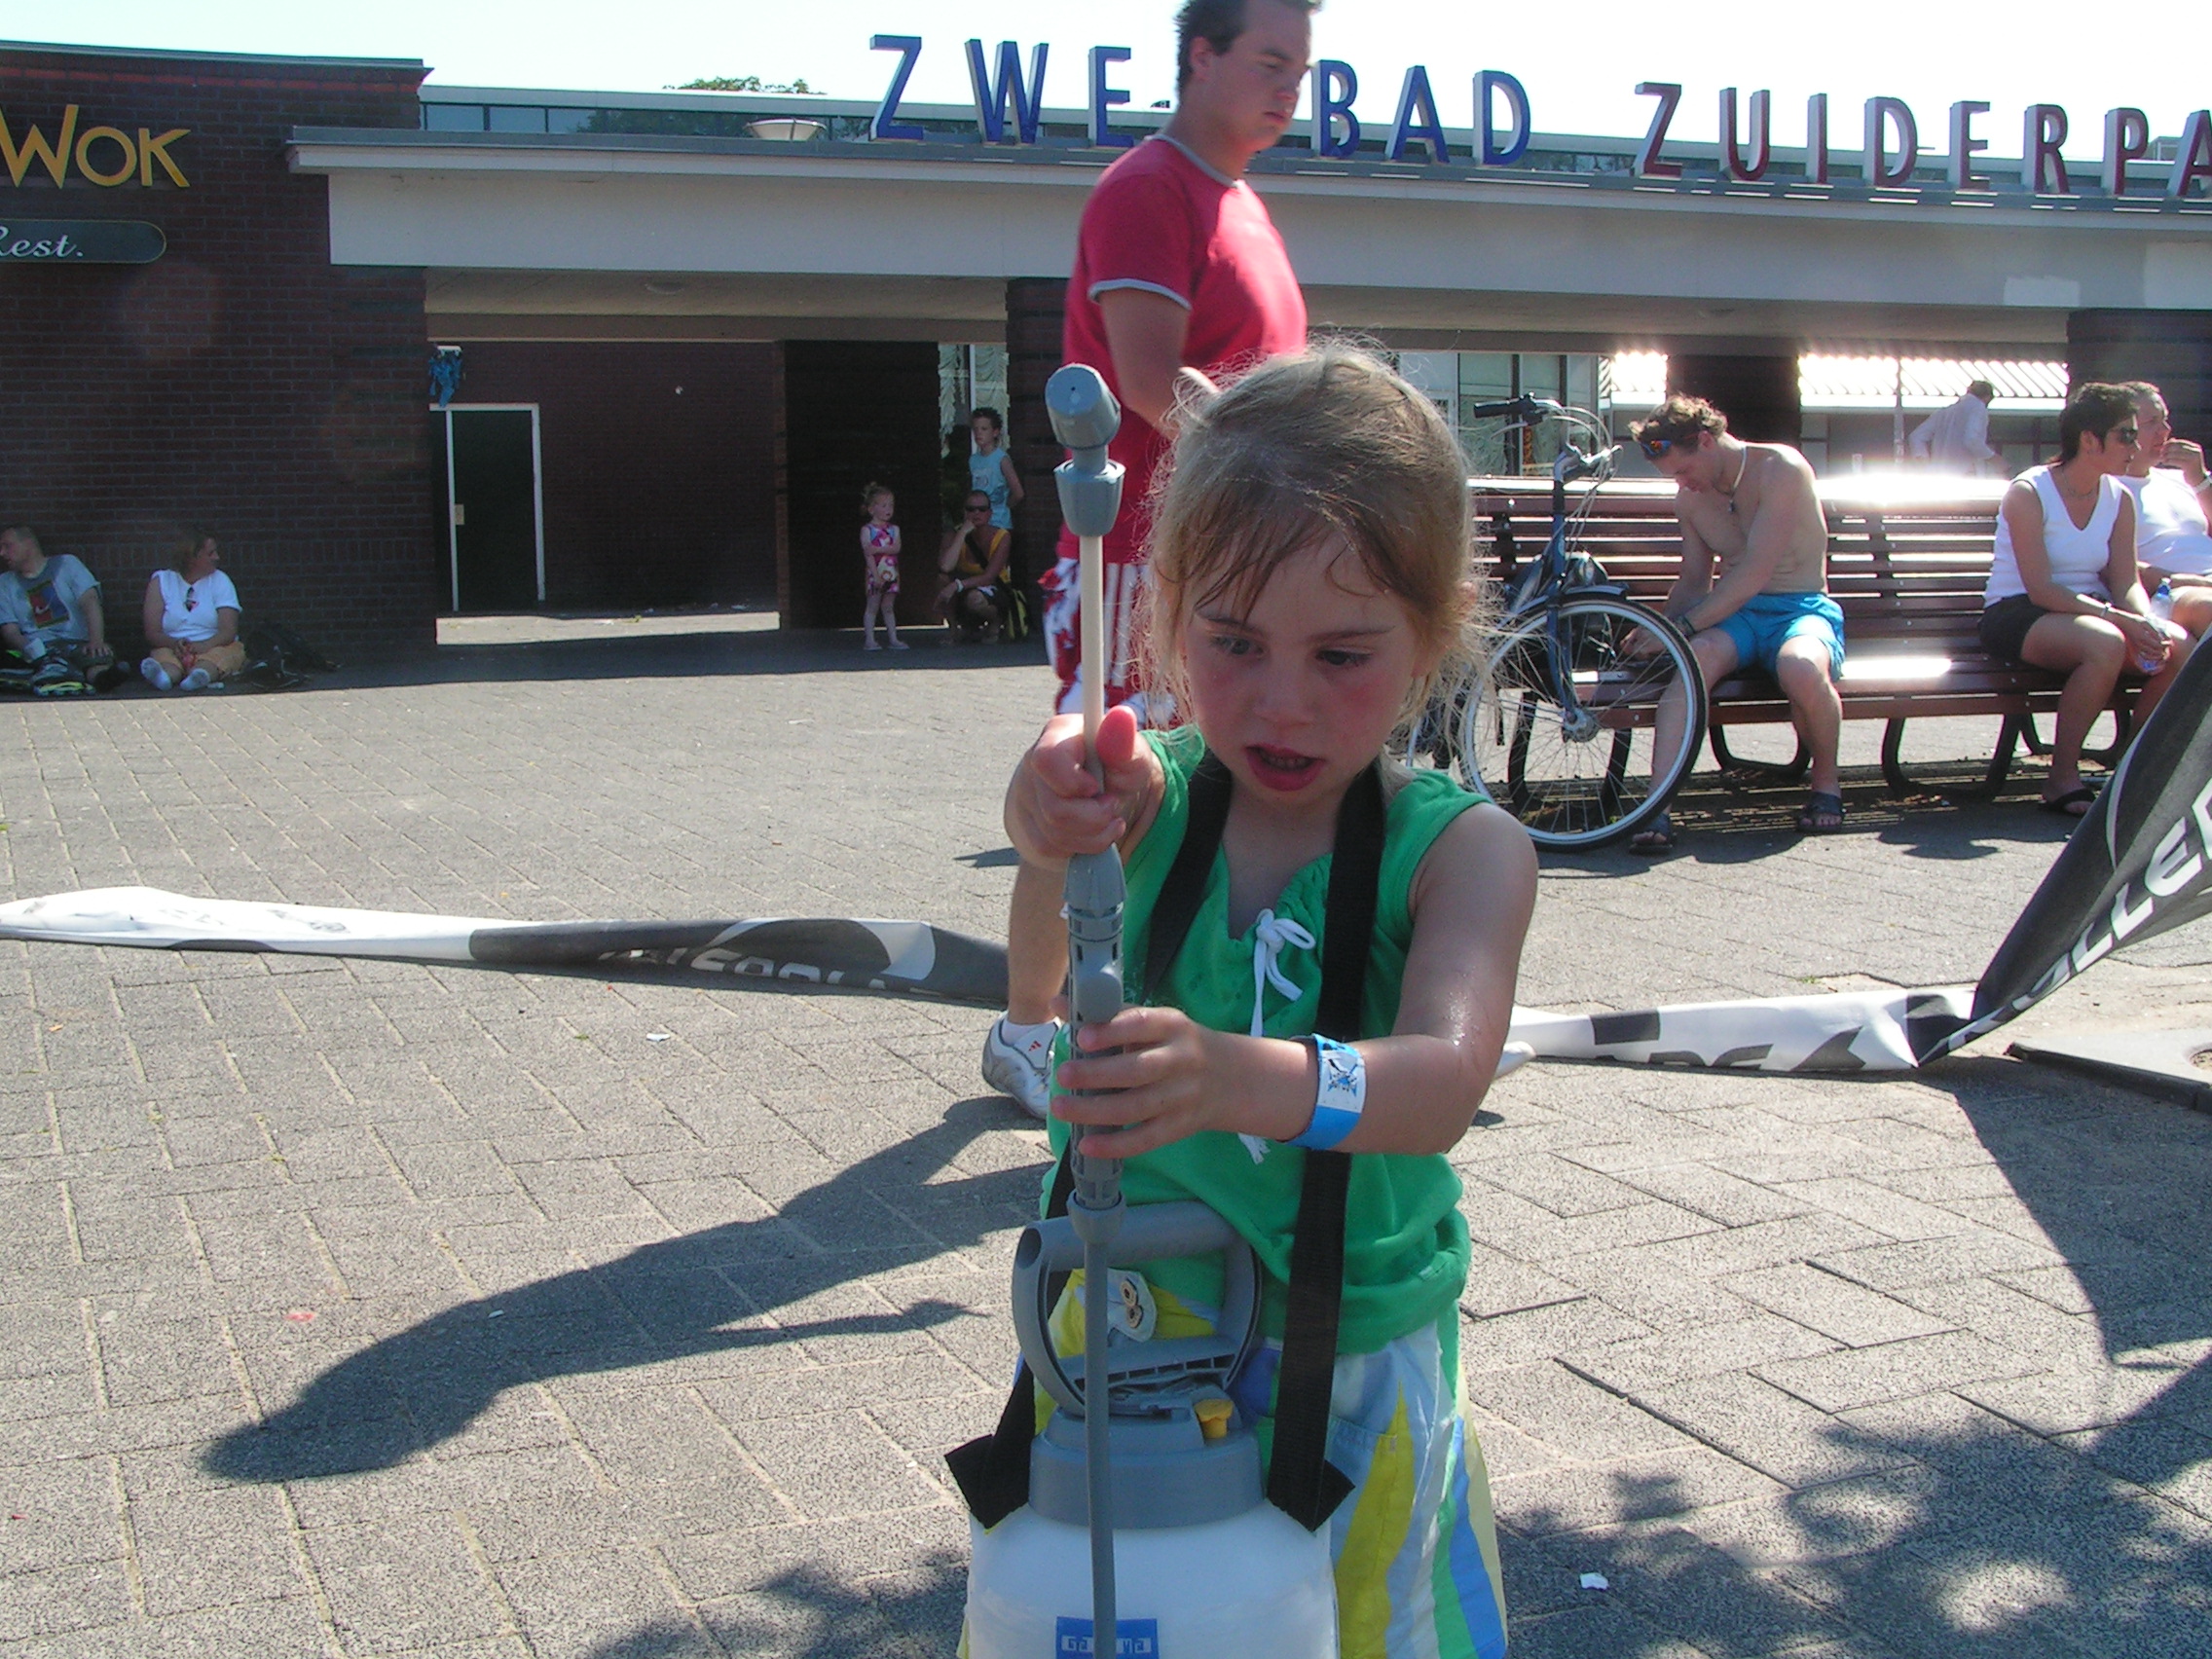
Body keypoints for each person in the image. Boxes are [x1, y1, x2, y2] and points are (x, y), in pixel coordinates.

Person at [997, 347, 1530, 1658]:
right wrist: (1045, 833)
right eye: (1232, 643)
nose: (1282, 702)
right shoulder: (1154, 797)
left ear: (1432, 636)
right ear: (1168, 615)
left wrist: (1239, 1077)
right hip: (1120, 1333)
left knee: (1374, 1629)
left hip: (1348, 1363)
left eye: (1341, 654)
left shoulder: (1459, 852)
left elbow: (1441, 1083)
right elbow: (1039, 981)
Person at [984, 0, 1313, 1115]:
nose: (1290, 87)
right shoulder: (1148, 189)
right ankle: (1026, 1030)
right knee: (1095, 788)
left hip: (1233, 557)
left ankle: (1223, 1015)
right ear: (1201, 57)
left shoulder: (1245, 207)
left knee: (1231, 786)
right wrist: (1287, 469)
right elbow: (1142, 378)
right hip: (1134, 555)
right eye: (1269, 61)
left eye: (1302, 68)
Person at [1631, 395, 1848, 848]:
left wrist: (1680, 629)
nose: (1682, 484)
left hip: (1801, 608)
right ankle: (1657, 809)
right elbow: (1694, 581)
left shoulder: (1780, 469)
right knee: (1694, 663)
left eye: (1683, 470)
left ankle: (1826, 786)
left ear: (1706, 442)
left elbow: (1755, 573)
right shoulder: (1691, 500)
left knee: (1800, 667)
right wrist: (1660, 630)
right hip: (1738, 616)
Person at [1979, 383, 2190, 815]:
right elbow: (2041, 589)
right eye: (2125, 435)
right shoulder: (2029, 492)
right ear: (2089, 441)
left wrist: (2146, 621)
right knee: (2104, 642)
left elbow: (2126, 581)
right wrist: (2122, 620)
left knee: (2178, 645)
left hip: (2089, 612)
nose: (2135, 446)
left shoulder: (2119, 498)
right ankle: (2061, 777)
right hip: (2019, 612)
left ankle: (2132, 770)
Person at [2119, 383, 2212, 643]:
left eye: (2165, 420)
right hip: (2171, 592)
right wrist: (2191, 581)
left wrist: (2200, 479)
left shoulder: (2184, 479)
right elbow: (2108, 565)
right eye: (2152, 423)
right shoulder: (2106, 489)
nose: (2166, 431)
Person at [0, 527, 119, 696]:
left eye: (7, 546)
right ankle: (56, 677)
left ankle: (102, 679)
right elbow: (10, 631)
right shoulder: (5, 583)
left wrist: (96, 640)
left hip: (78, 643)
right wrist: (34, 651)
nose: (2, 553)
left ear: (28, 543)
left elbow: (90, 602)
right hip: (40, 649)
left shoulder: (67, 564)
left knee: (96, 660)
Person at [140, 530, 245, 691]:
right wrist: (175, 644)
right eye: (210, 553)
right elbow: (152, 632)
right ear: (191, 558)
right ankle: (165, 676)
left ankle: (200, 675)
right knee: (164, 655)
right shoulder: (161, 581)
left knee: (223, 655)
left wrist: (203, 646)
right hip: (172, 647)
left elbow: (228, 631)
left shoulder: (220, 580)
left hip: (213, 646)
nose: (217, 557)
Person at [937, 492, 1013, 641]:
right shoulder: (954, 535)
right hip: (965, 586)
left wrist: (957, 585)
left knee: (974, 598)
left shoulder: (1002, 537)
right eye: (971, 509)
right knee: (942, 579)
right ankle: (954, 629)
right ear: (964, 512)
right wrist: (963, 533)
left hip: (993, 588)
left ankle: (995, 622)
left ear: (989, 513)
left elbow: (989, 577)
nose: (976, 513)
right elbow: (945, 567)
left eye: (982, 509)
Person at [1909, 380, 2000, 473]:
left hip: (1940, 473)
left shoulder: (1943, 412)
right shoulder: (1978, 408)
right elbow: (1972, 440)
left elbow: (1916, 436)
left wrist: (1924, 463)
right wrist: (1993, 458)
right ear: (1987, 397)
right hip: (1966, 472)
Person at [858, 483, 906, 652]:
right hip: (875, 573)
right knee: (872, 606)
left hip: (891, 573)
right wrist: (875, 575)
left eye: (891, 505)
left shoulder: (894, 529)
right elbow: (867, 554)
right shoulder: (867, 530)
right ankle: (869, 639)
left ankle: (893, 638)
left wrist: (878, 549)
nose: (888, 509)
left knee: (888, 607)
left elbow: (896, 548)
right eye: (884, 505)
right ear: (872, 509)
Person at [966, 407, 1024, 534]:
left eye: (984, 429)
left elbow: (1018, 492)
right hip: (978, 522)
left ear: (995, 432)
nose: (979, 433)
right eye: (976, 429)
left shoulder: (1001, 459)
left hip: (999, 522)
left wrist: (1004, 506)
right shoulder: (973, 460)